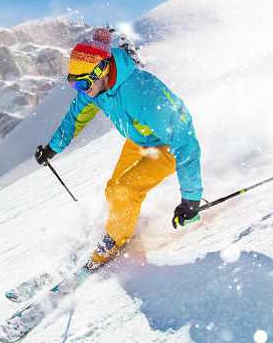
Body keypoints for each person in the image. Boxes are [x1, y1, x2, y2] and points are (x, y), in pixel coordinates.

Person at [34, 29, 203, 270]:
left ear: (101, 70)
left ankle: (115, 240)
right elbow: (75, 117)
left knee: (126, 189)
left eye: (83, 84)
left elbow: (185, 141)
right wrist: (52, 148)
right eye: (75, 84)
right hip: (139, 139)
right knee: (113, 188)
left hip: (168, 144)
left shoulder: (142, 92)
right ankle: (123, 226)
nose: (81, 90)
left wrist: (191, 200)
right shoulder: (95, 88)